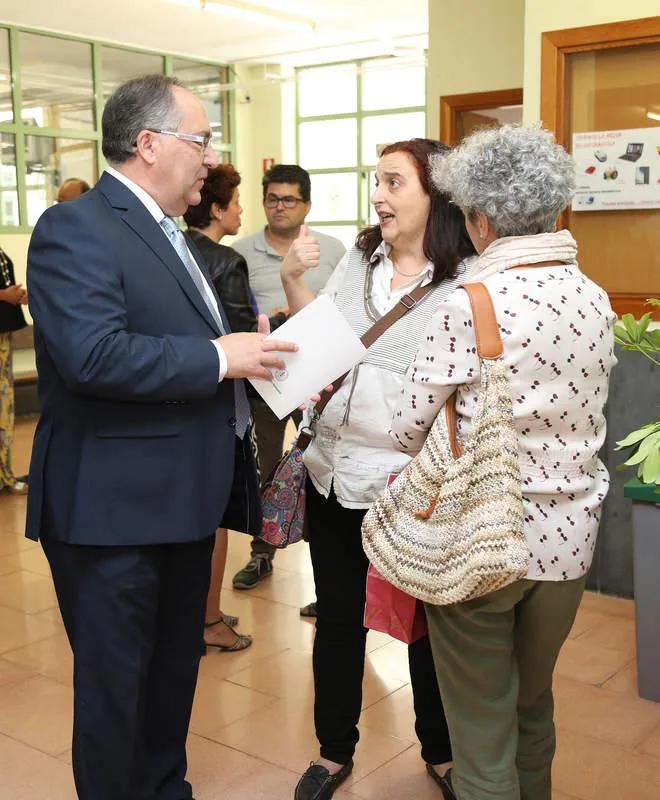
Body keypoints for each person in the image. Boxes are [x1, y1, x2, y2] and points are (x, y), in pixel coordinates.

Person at [26, 74, 296, 800]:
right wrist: (219, 356)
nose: (210, 158)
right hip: (111, 512)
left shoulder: (169, 232)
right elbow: (92, 356)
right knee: (118, 692)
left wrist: (248, 351)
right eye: (200, 140)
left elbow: (178, 343)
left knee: (172, 674)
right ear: (148, 145)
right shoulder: (75, 227)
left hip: (179, 501)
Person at [391, 125, 617, 800]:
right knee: (532, 703)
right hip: (570, 545)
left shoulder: (471, 302)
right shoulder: (595, 298)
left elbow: (408, 429)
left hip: (482, 541)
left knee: (482, 732)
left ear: (481, 218)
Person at [281, 139, 477, 800]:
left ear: (436, 194)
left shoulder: (465, 279)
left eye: (393, 182)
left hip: (411, 488)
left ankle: (443, 753)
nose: (378, 195)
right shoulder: (360, 259)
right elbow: (324, 340)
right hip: (333, 472)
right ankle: (334, 751)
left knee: (424, 623)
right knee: (338, 617)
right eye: (376, 181)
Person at [184, 163, 285, 652]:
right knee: (216, 518)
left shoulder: (172, 252)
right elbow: (245, 338)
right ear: (218, 209)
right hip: (223, 401)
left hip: (179, 396)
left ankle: (188, 616)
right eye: (237, 201)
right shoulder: (226, 262)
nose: (243, 209)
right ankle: (207, 621)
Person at [231, 164, 345, 592]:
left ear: (307, 205)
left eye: (289, 200)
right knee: (263, 468)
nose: (279, 207)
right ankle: (262, 554)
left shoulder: (331, 251)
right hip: (265, 382)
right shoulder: (241, 253)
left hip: (321, 382)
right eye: (272, 199)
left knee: (319, 471)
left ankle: (327, 577)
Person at [0, 245, 28, 495]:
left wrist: (15, 296)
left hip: (3, 337)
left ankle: (4, 474)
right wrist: (2, 295)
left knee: (4, 407)